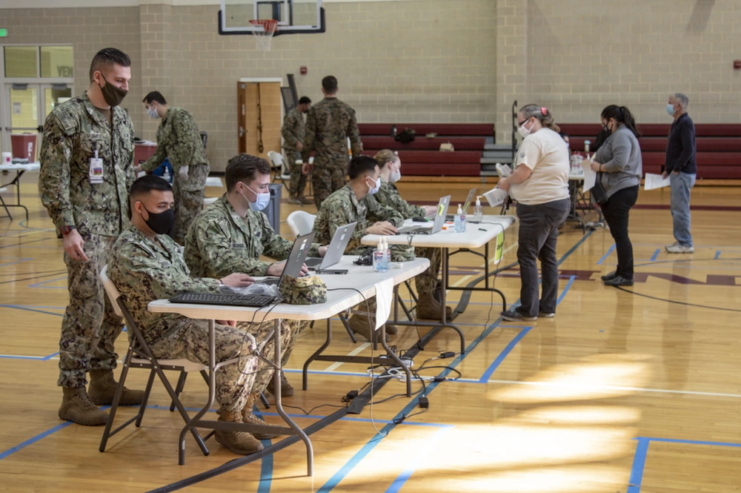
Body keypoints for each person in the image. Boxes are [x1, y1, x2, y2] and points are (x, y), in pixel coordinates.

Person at [109, 176, 266, 455]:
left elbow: (187, 285)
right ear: (139, 208)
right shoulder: (129, 249)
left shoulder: (164, 242)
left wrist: (216, 312)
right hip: (159, 334)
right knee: (241, 343)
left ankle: (244, 408)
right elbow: (172, 286)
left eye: (171, 204)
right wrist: (220, 285)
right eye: (161, 206)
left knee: (269, 328)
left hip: (187, 319)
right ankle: (229, 423)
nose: (168, 212)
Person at [38, 47, 143, 426]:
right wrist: (66, 229)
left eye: (128, 81)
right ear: (98, 77)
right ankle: (72, 392)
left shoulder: (122, 118)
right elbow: (53, 177)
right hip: (85, 230)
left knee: (118, 307)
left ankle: (102, 379)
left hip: (120, 230)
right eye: (119, 81)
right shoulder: (67, 117)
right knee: (87, 309)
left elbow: (126, 173)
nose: (125, 87)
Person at [184, 153, 325, 399]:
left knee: (293, 315)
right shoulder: (212, 220)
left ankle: (269, 371)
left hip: (242, 297)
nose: (267, 192)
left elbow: (275, 244)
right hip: (211, 302)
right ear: (241, 187)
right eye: (262, 186)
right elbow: (222, 264)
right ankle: (243, 399)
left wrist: (317, 250)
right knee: (277, 322)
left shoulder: (254, 216)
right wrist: (268, 269)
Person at [313, 156, 406, 340]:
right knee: (386, 258)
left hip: (351, 251)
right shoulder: (339, 202)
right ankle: (363, 317)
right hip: (329, 257)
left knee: (400, 254)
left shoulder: (365, 197)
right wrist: (369, 229)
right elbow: (338, 243)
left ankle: (373, 314)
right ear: (367, 179)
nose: (379, 181)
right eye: (378, 176)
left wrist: (388, 223)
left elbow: (394, 213)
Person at [497, 105, 570, 322]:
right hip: (557, 203)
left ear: (532, 120)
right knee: (548, 256)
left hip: (539, 206)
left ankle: (528, 309)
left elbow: (523, 172)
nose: (520, 127)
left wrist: (505, 181)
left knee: (527, 255)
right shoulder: (554, 136)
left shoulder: (533, 140)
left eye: (521, 122)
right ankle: (547, 306)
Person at [370, 150, 450, 319]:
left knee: (431, 245)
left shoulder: (384, 185)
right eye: (398, 166)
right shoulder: (380, 185)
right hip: (379, 239)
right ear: (390, 164)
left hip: (388, 232)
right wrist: (425, 210)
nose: (399, 170)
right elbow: (404, 210)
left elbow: (399, 209)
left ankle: (427, 299)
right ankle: (425, 300)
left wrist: (421, 211)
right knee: (427, 247)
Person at [139, 91, 210, 244]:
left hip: (193, 167)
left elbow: (188, 141)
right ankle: (180, 244)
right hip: (180, 170)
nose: (148, 112)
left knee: (190, 207)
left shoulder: (179, 115)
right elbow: (159, 154)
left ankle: (194, 245)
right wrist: (140, 168)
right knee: (177, 206)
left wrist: (185, 164)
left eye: (147, 107)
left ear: (154, 104)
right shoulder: (163, 125)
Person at [590, 105, 643, 287]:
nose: (603, 125)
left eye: (604, 122)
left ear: (611, 120)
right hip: (618, 189)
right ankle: (621, 270)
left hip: (622, 190)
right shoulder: (619, 135)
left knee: (621, 235)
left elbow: (620, 162)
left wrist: (600, 167)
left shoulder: (621, 135)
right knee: (618, 234)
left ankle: (626, 274)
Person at [302, 76, 362, 209]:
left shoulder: (315, 110)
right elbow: (355, 138)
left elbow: (308, 138)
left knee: (323, 202)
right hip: (341, 164)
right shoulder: (347, 110)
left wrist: (305, 159)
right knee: (340, 200)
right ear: (337, 89)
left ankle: (324, 228)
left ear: (322, 89)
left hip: (322, 162)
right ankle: (338, 227)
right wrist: (357, 162)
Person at [663, 93, 697, 254]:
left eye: (670, 103)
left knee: (681, 209)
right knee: (676, 209)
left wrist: (677, 168)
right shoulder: (676, 123)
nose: (668, 105)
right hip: (677, 172)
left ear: (679, 106)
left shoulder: (685, 123)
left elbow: (688, 149)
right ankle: (681, 240)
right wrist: (668, 169)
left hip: (683, 173)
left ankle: (685, 243)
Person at [282, 96, 312, 205]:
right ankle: (291, 196)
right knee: (296, 171)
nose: (308, 108)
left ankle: (300, 195)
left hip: (300, 150)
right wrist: (296, 142)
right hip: (292, 149)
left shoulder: (299, 115)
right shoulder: (292, 115)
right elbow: (285, 131)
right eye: (308, 106)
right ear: (304, 105)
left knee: (303, 171)